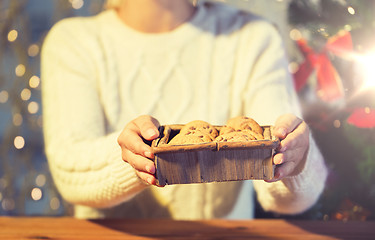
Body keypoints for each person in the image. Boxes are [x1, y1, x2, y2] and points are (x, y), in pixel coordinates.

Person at [41, 0, 328, 219]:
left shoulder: (253, 38)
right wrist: (132, 158)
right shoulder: (74, 43)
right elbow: (70, 172)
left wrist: (295, 160)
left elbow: (286, 192)